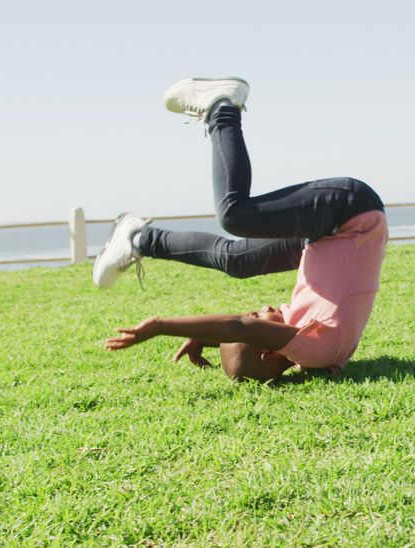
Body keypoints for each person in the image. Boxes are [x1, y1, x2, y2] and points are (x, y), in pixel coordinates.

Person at [94, 77, 386, 380]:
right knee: (235, 215)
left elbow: (242, 332)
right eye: (258, 316)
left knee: (237, 261)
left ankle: (140, 238)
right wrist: (160, 326)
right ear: (269, 351)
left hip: (329, 232)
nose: (260, 308)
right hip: (348, 213)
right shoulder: (316, 350)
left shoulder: (306, 340)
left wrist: (207, 338)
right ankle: (222, 108)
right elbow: (238, 327)